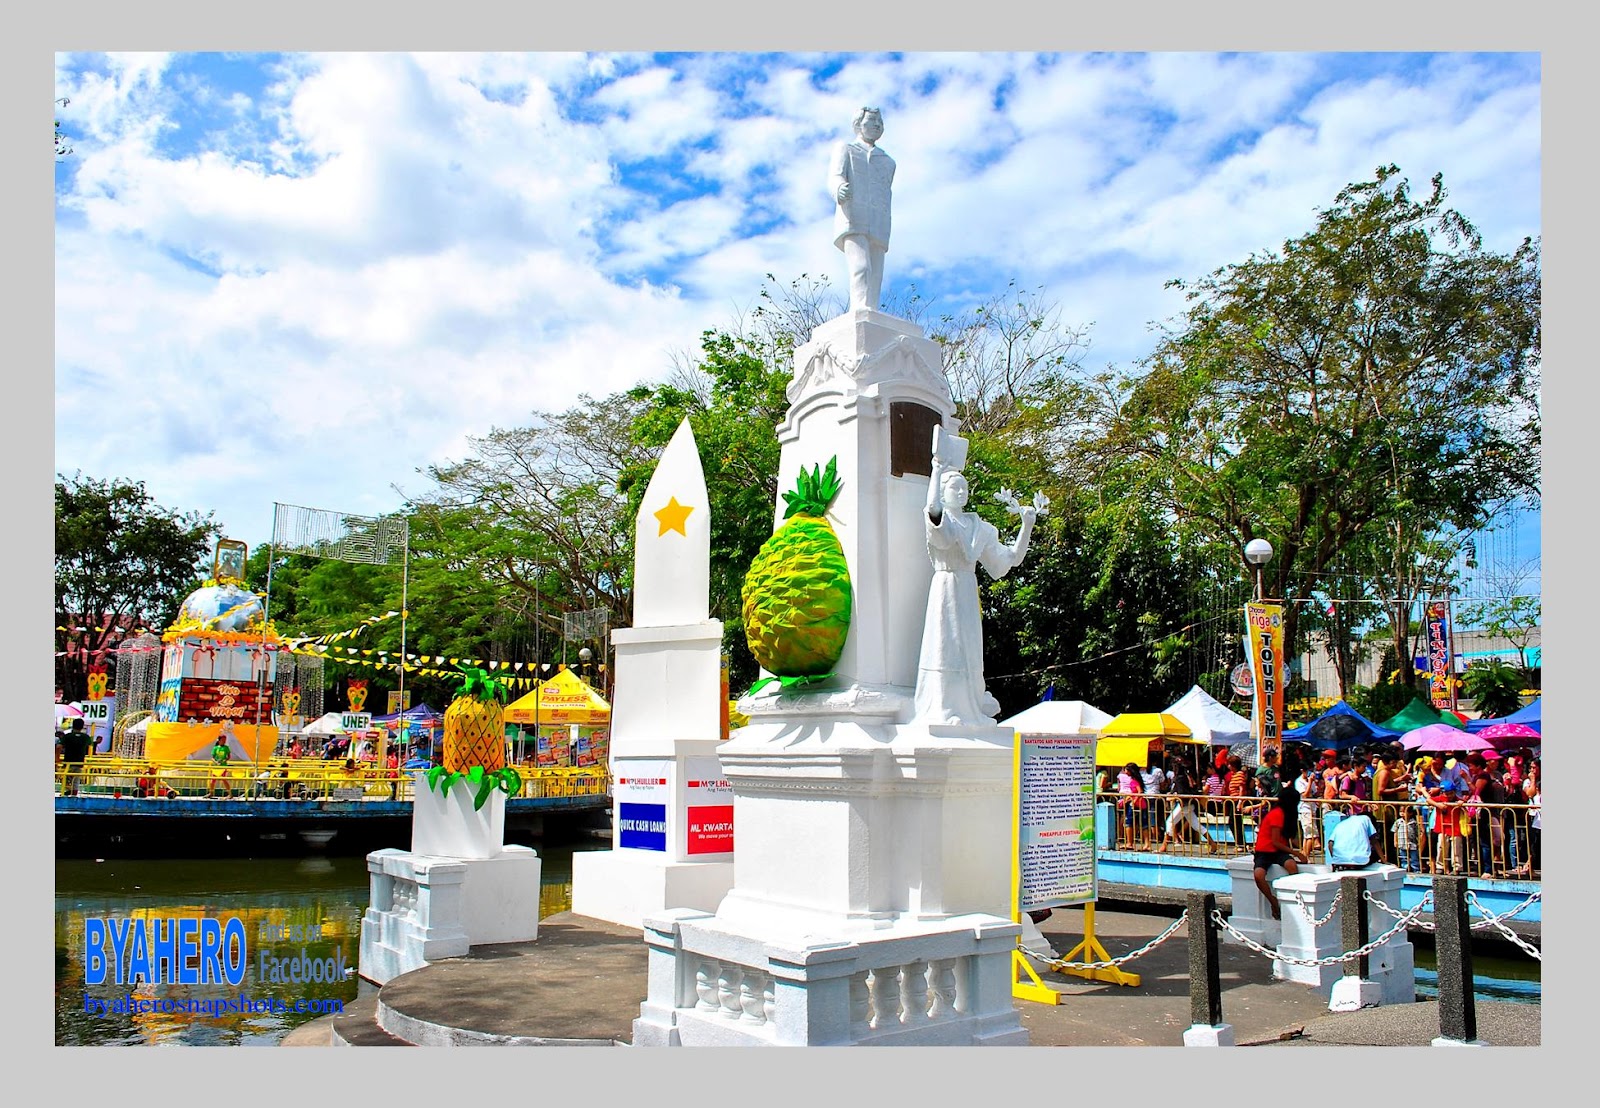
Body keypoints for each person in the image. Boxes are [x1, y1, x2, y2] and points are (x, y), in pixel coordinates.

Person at [911, 426, 1038, 726]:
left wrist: (1026, 527)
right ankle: (943, 708)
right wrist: (936, 469)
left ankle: (968, 707)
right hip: (945, 586)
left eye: (964, 487)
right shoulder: (943, 520)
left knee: (968, 650)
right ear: (943, 491)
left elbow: (1009, 560)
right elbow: (932, 512)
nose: (962, 491)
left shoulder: (979, 527)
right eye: (955, 487)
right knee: (945, 647)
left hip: (967, 589)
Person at [829, 106, 894, 314]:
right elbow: (835, 175)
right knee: (861, 266)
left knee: (876, 273)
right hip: (853, 217)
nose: (876, 125)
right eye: (871, 121)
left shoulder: (888, 162)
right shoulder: (846, 149)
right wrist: (839, 189)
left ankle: (871, 310)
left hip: (879, 221)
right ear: (858, 125)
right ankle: (860, 308)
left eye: (880, 122)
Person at [1252, 785, 1308, 920]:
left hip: (1277, 851)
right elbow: (1276, 842)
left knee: (1291, 866)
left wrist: (1301, 850)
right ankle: (1273, 901)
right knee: (1259, 875)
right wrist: (1297, 853)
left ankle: (1294, 896)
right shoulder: (1277, 814)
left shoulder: (1286, 814)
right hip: (1265, 851)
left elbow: (1288, 837)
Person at [1326, 806, 1379, 870]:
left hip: (1339, 862)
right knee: (1375, 853)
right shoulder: (1366, 819)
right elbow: (1374, 840)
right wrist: (1384, 860)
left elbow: (1330, 843)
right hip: (1360, 862)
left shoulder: (1342, 823)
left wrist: (1336, 859)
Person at [57, 717, 92, 796]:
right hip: (79, 762)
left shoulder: (67, 736)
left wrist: (57, 758)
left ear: (73, 725)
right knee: (76, 780)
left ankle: (66, 793)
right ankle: (73, 795)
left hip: (67, 762)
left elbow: (58, 747)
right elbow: (90, 746)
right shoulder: (86, 737)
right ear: (82, 726)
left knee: (66, 779)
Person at [1115, 762, 1146, 849]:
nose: (1124, 771)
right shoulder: (1134, 779)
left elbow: (1139, 792)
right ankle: (1131, 842)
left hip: (1135, 804)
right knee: (1137, 823)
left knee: (1129, 822)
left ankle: (1129, 843)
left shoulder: (1134, 780)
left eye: (1126, 769)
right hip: (1135, 802)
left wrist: (1133, 800)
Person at [207, 733, 232, 798]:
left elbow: (228, 756)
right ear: (219, 740)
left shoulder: (226, 748)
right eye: (223, 740)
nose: (224, 741)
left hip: (223, 766)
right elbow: (212, 757)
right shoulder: (215, 748)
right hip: (216, 767)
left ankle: (230, 794)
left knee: (224, 779)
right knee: (212, 780)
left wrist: (224, 760)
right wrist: (216, 762)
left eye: (225, 740)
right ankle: (211, 793)